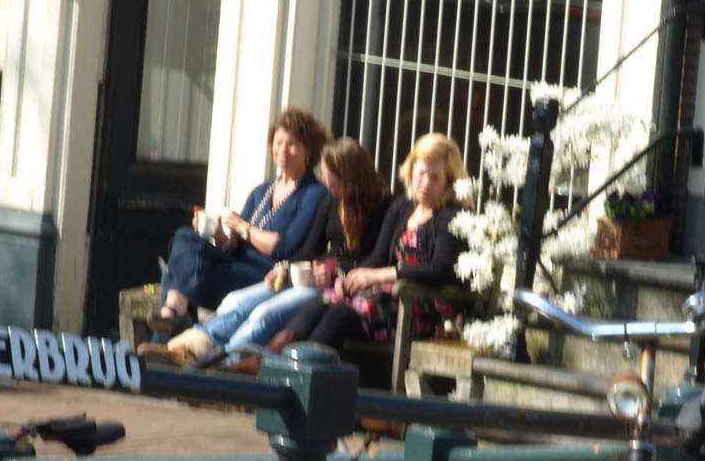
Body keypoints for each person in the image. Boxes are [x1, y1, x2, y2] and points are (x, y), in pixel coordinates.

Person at [155, 137, 389, 365]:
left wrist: (337, 275)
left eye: (330, 175)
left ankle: (223, 362)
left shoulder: (380, 205)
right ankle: (191, 347)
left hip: (339, 289)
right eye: (325, 174)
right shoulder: (330, 201)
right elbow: (308, 251)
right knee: (235, 301)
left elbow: (377, 258)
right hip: (310, 279)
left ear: (347, 174)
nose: (325, 180)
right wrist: (285, 268)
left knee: (264, 314)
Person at [148, 106, 330, 335]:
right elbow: (233, 245)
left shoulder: (314, 193)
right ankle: (174, 313)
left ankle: (166, 333)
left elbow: (285, 247)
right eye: (278, 142)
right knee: (185, 237)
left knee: (180, 278)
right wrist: (217, 233)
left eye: (291, 143)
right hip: (237, 264)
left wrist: (243, 227)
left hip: (269, 275)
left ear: (308, 150)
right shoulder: (262, 191)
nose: (283, 149)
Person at [281, 131, 468, 355]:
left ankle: (301, 369)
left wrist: (380, 276)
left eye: (435, 177)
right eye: (421, 173)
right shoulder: (402, 206)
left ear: (449, 181)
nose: (425, 183)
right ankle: (269, 362)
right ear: (411, 170)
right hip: (387, 297)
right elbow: (377, 257)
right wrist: (349, 278)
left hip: (420, 306)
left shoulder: (452, 216)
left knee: (340, 315)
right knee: (317, 304)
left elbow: (439, 269)